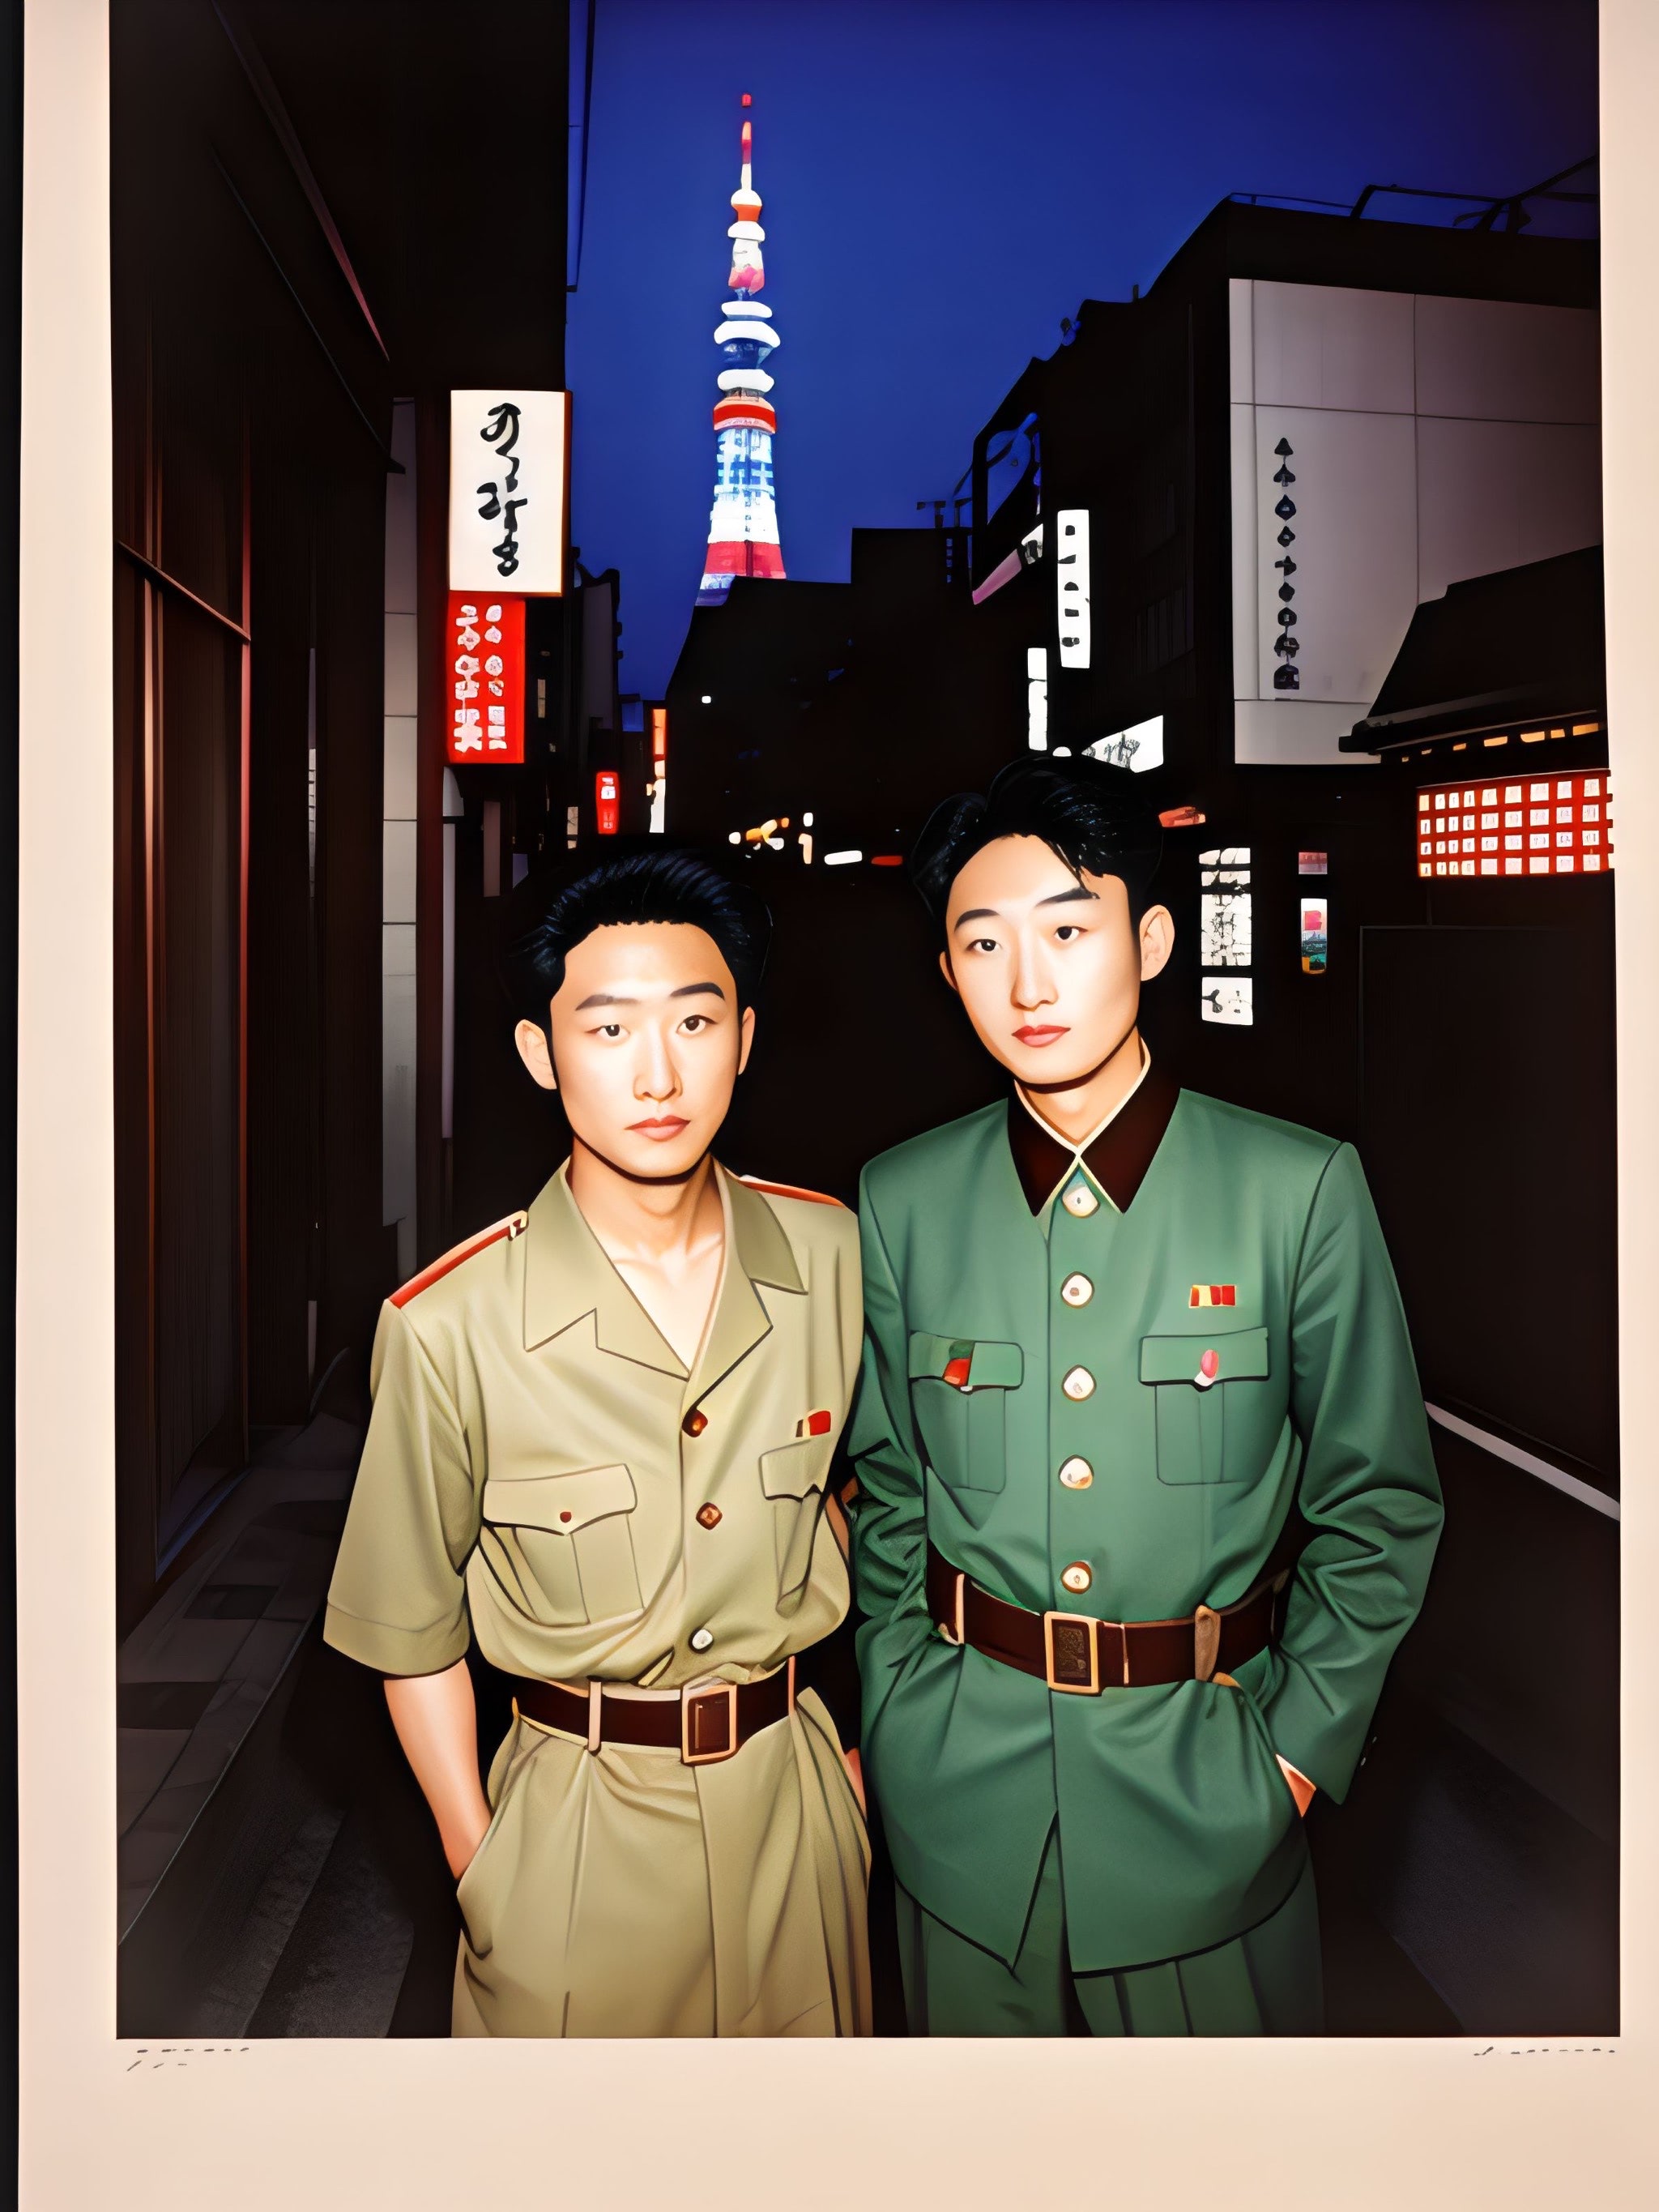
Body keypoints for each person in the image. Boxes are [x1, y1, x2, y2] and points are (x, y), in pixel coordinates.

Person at [847, 754, 1444, 2035]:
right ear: (948, 973)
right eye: (985, 941)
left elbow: (1381, 1504)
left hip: (1207, 1810)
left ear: (1153, 937)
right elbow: (888, 1492)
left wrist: (1288, 1759)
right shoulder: (900, 1199)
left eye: (1069, 929)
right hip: (962, 1819)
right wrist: (898, 1712)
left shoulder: (1296, 1190)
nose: (1029, 981)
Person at [323, 852, 870, 2037]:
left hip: (797, 1823)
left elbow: (869, 1505)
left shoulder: (834, 1257)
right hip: (573, 1845)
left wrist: (852, 1783)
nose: (658, 1071)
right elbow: (407, 1630)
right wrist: (484, 1869)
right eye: (609, 1027)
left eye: (694, 1020)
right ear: (541, 1053)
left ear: (745, 1037)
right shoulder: (452, 1324)